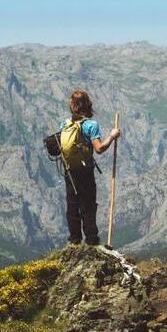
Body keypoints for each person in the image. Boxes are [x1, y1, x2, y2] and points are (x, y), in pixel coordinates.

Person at [60, 89, 120, 246]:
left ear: (72, 105)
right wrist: (112, 136)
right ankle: (92, 240)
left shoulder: (65, 124)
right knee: (88, 205)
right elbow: (99, 149)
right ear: (87, 105)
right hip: (85, 172)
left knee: (72, 205)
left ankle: (74, 240)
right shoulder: (91, 125)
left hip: (69, 171)